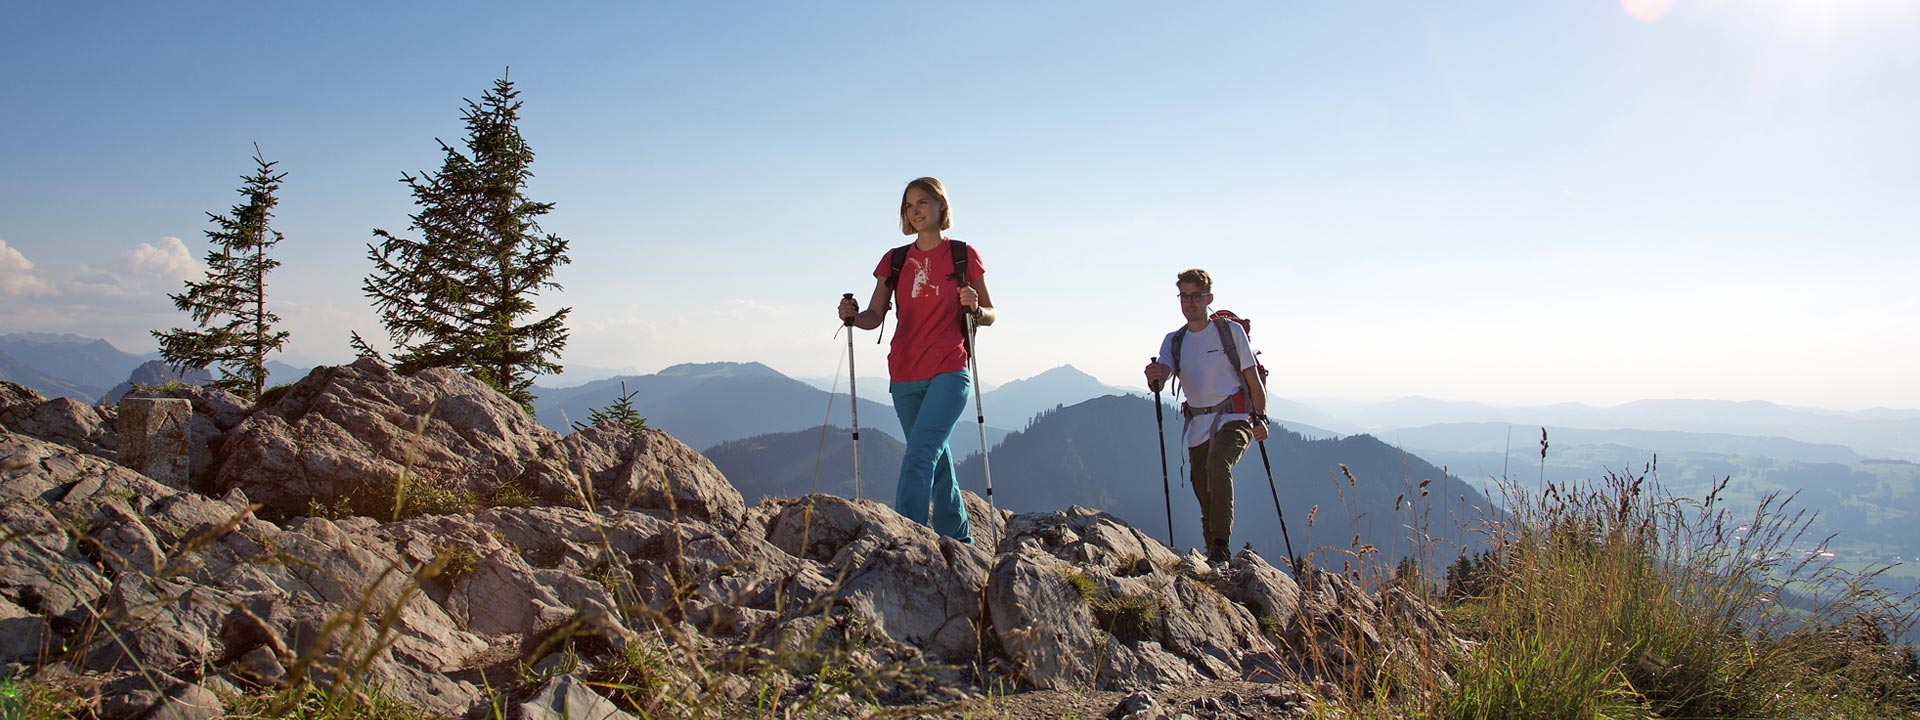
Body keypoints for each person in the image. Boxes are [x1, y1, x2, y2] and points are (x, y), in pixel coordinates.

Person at [837, 177, 994, 543]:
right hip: (904, 373)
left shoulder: (962, 255)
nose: (916, 211)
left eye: (922, 202)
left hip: (950, 370)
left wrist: (975, 307)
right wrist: (852, 315)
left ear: (941, 205)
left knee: (919, 455)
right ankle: (959, 540)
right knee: (934, 460)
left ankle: (907, 541)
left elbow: (990, 312)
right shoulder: (895, 260)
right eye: (909, 206)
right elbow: (875, 315)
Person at [1144, 268, 1269, 563]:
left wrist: (1261, 418)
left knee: (1217, 462)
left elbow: (1253, 381)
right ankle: (1216, 560)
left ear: (1208, 298)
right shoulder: (1174, 341)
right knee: (1204, 492)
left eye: (1196, 296)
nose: (1190, 303)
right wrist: (1155, 375)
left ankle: (1220, 545)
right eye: (1184, 296)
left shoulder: (1230, 332)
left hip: (1235, 418)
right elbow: (1162, 377)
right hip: (1198, 424)